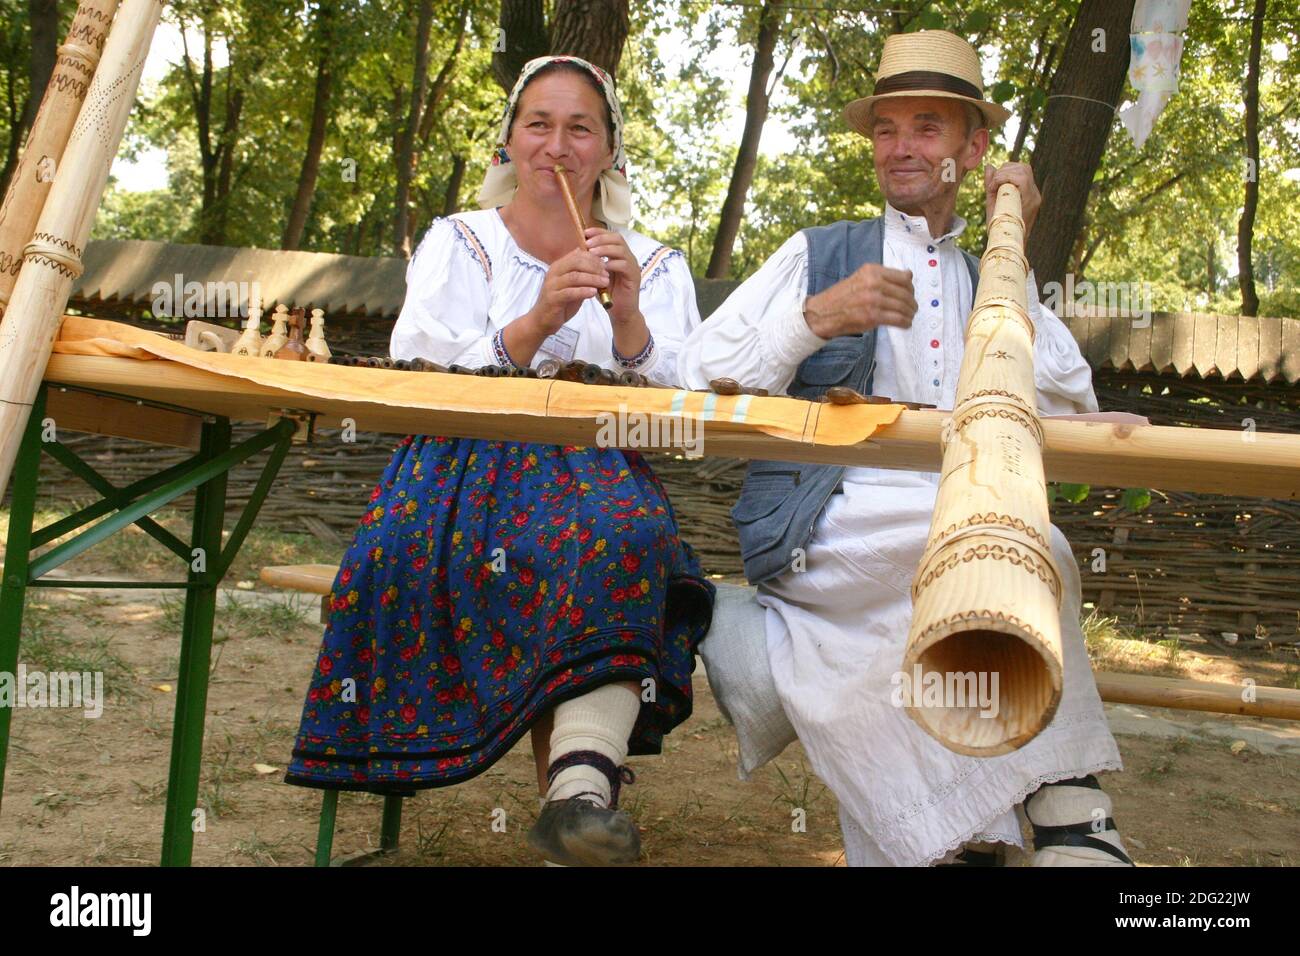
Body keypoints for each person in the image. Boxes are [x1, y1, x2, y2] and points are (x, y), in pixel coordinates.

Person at [681, 30, 1133, 867]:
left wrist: (1014, 243)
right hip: (828, 523)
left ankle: (966, 841)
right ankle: (1072, 818)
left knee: (968, 587)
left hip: (946, 520)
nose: (901, 148)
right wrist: (817, 317)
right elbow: (694, 372)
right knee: (1014, 555)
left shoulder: (990, 268)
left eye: (927, 127)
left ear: (976, 145)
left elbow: (1069, 399)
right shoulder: (821, 252)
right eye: (886, 130)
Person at [286, 55, 714, 867]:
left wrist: (628, 320)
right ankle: (577, 801)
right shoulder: (461, 242)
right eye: (539, 125)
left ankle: (577, 796)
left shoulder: (656, 265)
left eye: (579, 127)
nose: (558, 145)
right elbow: (417, 372)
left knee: (624, 540)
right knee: (405, 554)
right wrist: (535, 319)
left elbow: (678, 405)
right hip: (459, 461)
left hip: (596, 462)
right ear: (509, 144)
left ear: (609, 152)